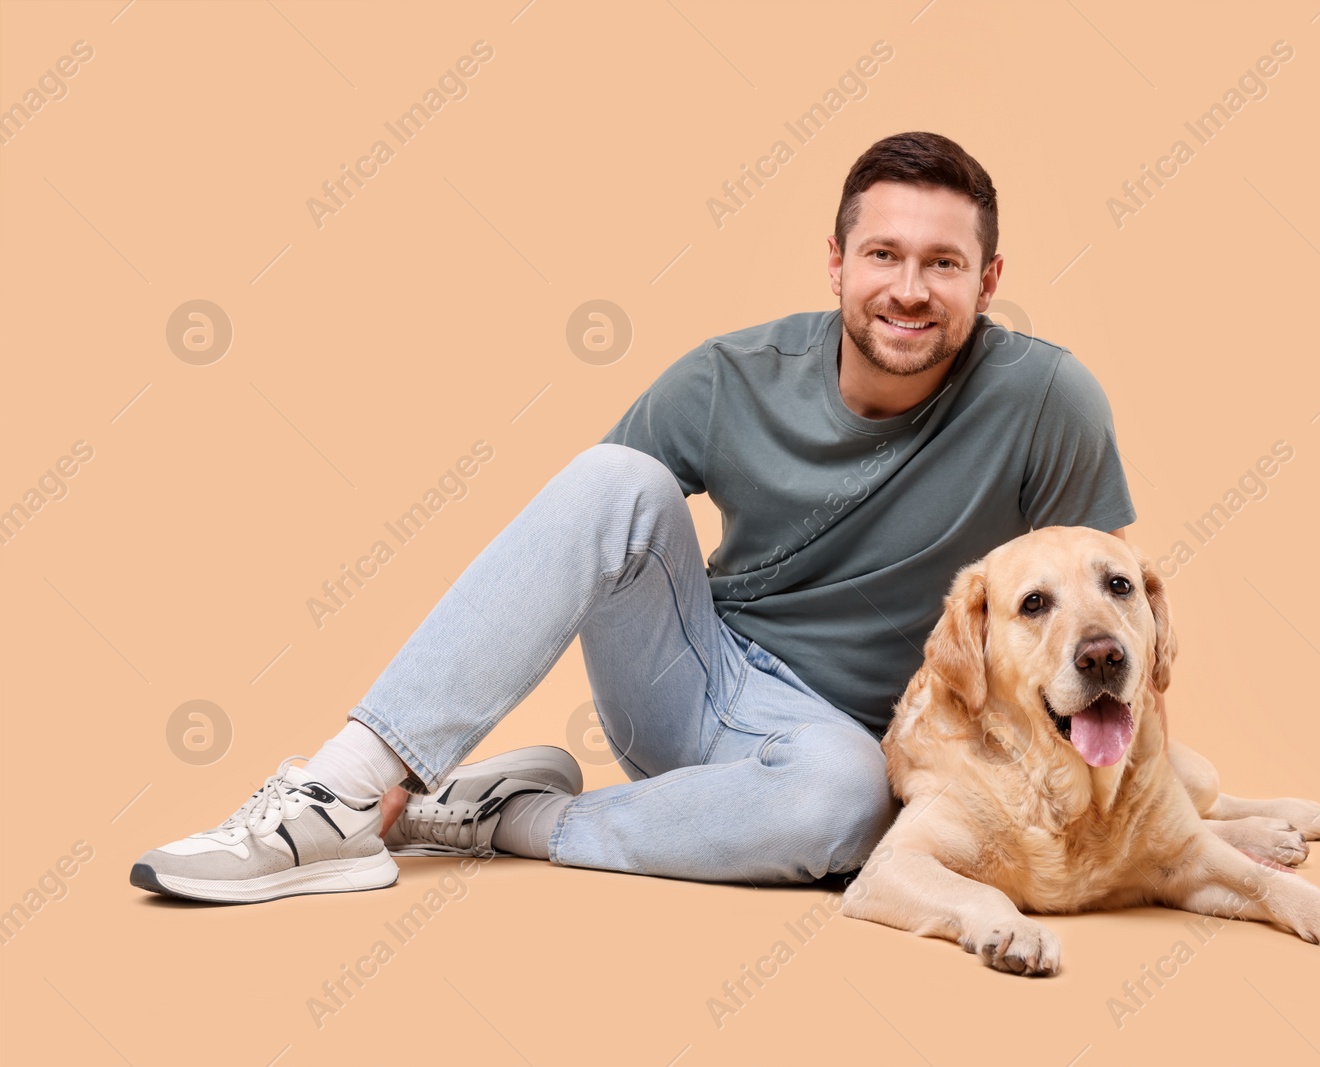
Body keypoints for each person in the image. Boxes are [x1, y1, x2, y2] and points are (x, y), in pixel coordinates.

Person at [131, 131, 1137, 904]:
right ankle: (339, 793)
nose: (908, 290)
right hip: (697, 683)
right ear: (834, 262)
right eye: (883, 254)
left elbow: (1101, 621)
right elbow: (587, 535)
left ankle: (502, 817)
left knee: (847, 797)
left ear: (989, 279)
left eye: (943, 263)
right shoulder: (729, 376)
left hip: (852, 752)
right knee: (615, 478)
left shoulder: (1047, 400)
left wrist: (1160, 812)